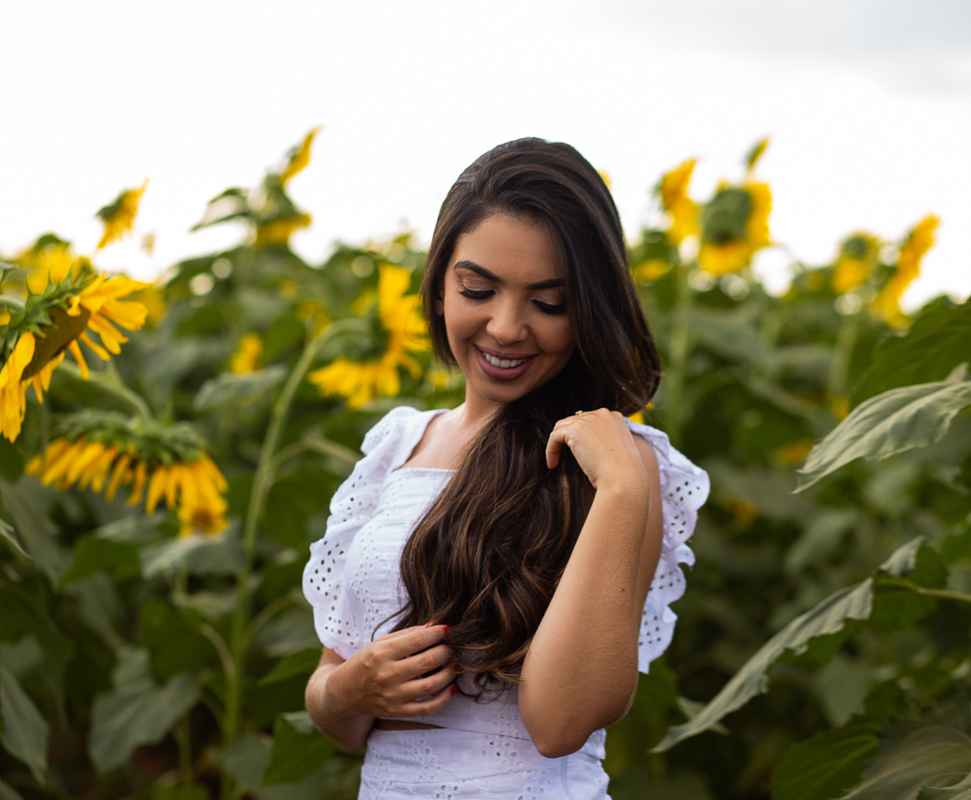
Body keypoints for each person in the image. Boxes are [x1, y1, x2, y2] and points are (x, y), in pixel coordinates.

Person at [302, 138, 710, 798]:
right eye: (478, 289)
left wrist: (627, 490)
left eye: (548, 303)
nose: (507, 327)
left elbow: (560, 724)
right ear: (439, 285)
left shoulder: (614, 467)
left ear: (589, 312)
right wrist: (350, 687)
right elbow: (338, 711)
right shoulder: (396, 448)